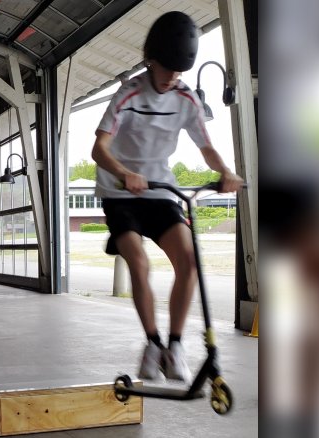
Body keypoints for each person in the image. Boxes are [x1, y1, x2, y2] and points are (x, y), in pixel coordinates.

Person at [90, 11, 243, 382]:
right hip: (120, 192)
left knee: (189, 260)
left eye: (180, 71)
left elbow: (206, 147)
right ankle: (152, 343)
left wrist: (224, 172)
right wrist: (125, 174)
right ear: (151, 60)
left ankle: (175, 347)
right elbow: (99, 149)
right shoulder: (128, 93)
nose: (174, 77)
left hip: (160, 191)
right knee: (140, 264)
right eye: (168, 69)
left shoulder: (186, 99)